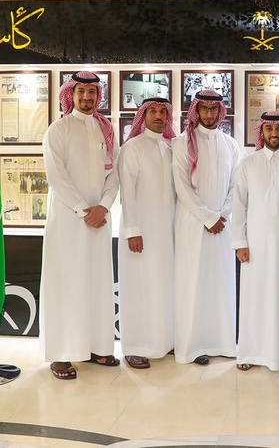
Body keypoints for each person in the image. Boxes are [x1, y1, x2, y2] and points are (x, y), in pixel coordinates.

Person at [39, 71, 120, 380]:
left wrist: (104, 206)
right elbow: (56, 176)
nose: (87, 97)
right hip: (68, 223)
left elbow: (113, 174)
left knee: (97, 283)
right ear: (70, 95)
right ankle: (61, 353)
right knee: (66, 283)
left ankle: (99, 347)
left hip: (99, 220)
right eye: (81, 91)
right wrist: (84, 210)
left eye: (92, 92)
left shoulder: (106, 129)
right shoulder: (58, 130)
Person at [231, 112, 279, 372]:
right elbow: (239, 206)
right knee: (255, 298)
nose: (273, 133)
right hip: (255, 245)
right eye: (268, 128)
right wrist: (240, 242)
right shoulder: (248, 163)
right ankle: (250, 353)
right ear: (261, 131)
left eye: (278, 128)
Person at [172, 89, 242, 365]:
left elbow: (236, 187)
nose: (210, 115)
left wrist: (221, 215)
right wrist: (207, 217)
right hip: (192, 224)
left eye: (214, 110)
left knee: (221, 284)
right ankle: (192, 347)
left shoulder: (230, 144)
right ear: (196, 111)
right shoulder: (181, 143)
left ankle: (223, 343)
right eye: (204, 109)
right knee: (193, 285)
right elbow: (182, 186)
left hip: (223, 226)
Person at [117, 97, 178, 370]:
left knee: (163, 287)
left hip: (167, 232)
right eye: (152, 111)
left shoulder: (170, 147)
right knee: (139, 288)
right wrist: (132, 230)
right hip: (140, 232)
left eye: (162, 112)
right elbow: (126, 194)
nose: (158, 116)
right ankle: (135, 347)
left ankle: (162, 342)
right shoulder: (132, 147)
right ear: (143, 115)